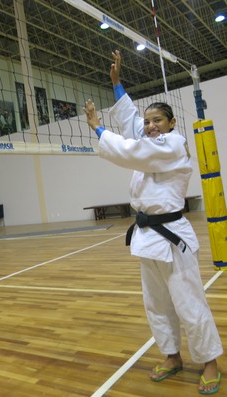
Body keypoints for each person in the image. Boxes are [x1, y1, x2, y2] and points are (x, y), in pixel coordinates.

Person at [84, 50, 223, 395]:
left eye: (157, 121)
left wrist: (97, 127)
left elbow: (133, 150)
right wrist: (117, 85)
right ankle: (173, 356)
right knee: (156, 304)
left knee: (189, 303)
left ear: (171, 123)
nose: (149, 126)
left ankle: (210, 362)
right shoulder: (149, 140)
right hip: (147, 236)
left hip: (172, 236)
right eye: (148, 122)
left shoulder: (172, 145)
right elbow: (132, 122)